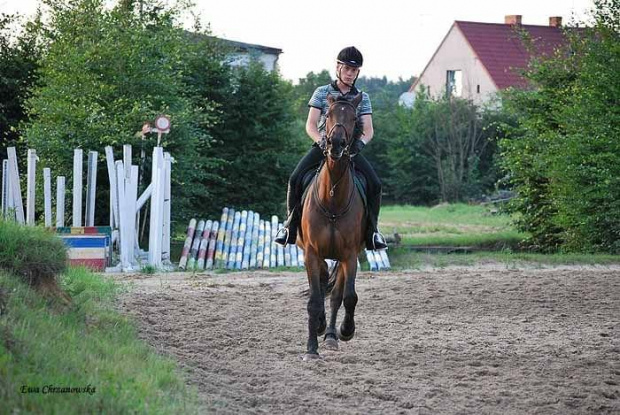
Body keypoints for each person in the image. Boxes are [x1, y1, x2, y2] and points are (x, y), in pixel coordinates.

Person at [274, 46, 387, 251]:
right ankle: (290, 226)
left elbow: (368, 129)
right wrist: (320, 141)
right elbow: (310, 124)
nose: (350, 74)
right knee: (295, 178)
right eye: (347, 69)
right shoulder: (322, 92)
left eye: (354, 70)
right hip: (323, 146)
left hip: (350, 150)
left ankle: (372, 232)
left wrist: (358, 145)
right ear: (338, 68)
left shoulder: (363, 97)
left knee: (376, 184)